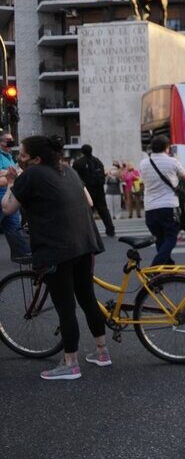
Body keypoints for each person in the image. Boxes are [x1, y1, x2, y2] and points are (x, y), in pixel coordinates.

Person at [2, 135, 107, 380]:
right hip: (84, 243)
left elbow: (7, 208)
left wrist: (10, 183)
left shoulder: (31, 174)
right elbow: (89, 201)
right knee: (87, 297)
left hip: (56, 248)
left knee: (65, 305)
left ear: (36, 159)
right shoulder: (67, 169)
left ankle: (71, 363)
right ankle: (102, 352)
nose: (19, 157)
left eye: (23, 154)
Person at [140, 135, 185, 266]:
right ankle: (156, 266)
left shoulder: (144, 163)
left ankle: (167, 266)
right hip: (168, 206)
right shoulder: (172, 161)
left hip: (150, 207)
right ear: (167, 147)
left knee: (160, 238)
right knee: (171, 237)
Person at [72, 144, 115, 237]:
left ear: (82, 152)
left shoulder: (78, 163)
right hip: (99, 189)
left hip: (86, 190)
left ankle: (87, 232)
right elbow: (102, 175)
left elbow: (74, 177)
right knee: (103, 209)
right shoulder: (98, 162)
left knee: (86, 211)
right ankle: (110, 229)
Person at [0, 130, 30, 261]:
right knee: (12, 224)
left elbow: (11, 174)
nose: (11, 142)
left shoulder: (8, 156)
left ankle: (22, 253)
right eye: (8, 140)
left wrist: (11, 174)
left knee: (13, 225)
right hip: (2, 194)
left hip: (9, 194)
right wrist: (13, 174)